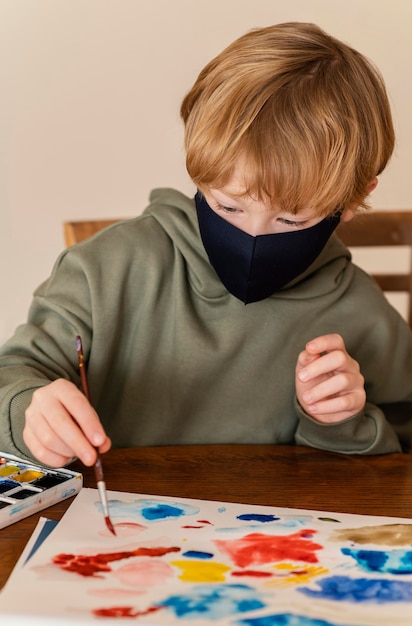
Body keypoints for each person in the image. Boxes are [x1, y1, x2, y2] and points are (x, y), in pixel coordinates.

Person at [0, 22, 411, 468]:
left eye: (291, 219)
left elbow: (395, 456)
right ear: (199, 175)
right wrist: (29, 409)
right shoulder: (107, 271)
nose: (252, 238)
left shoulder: (364, 314)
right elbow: (14, 376)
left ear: (352, 201)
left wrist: (340, 422)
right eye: (228, 207)